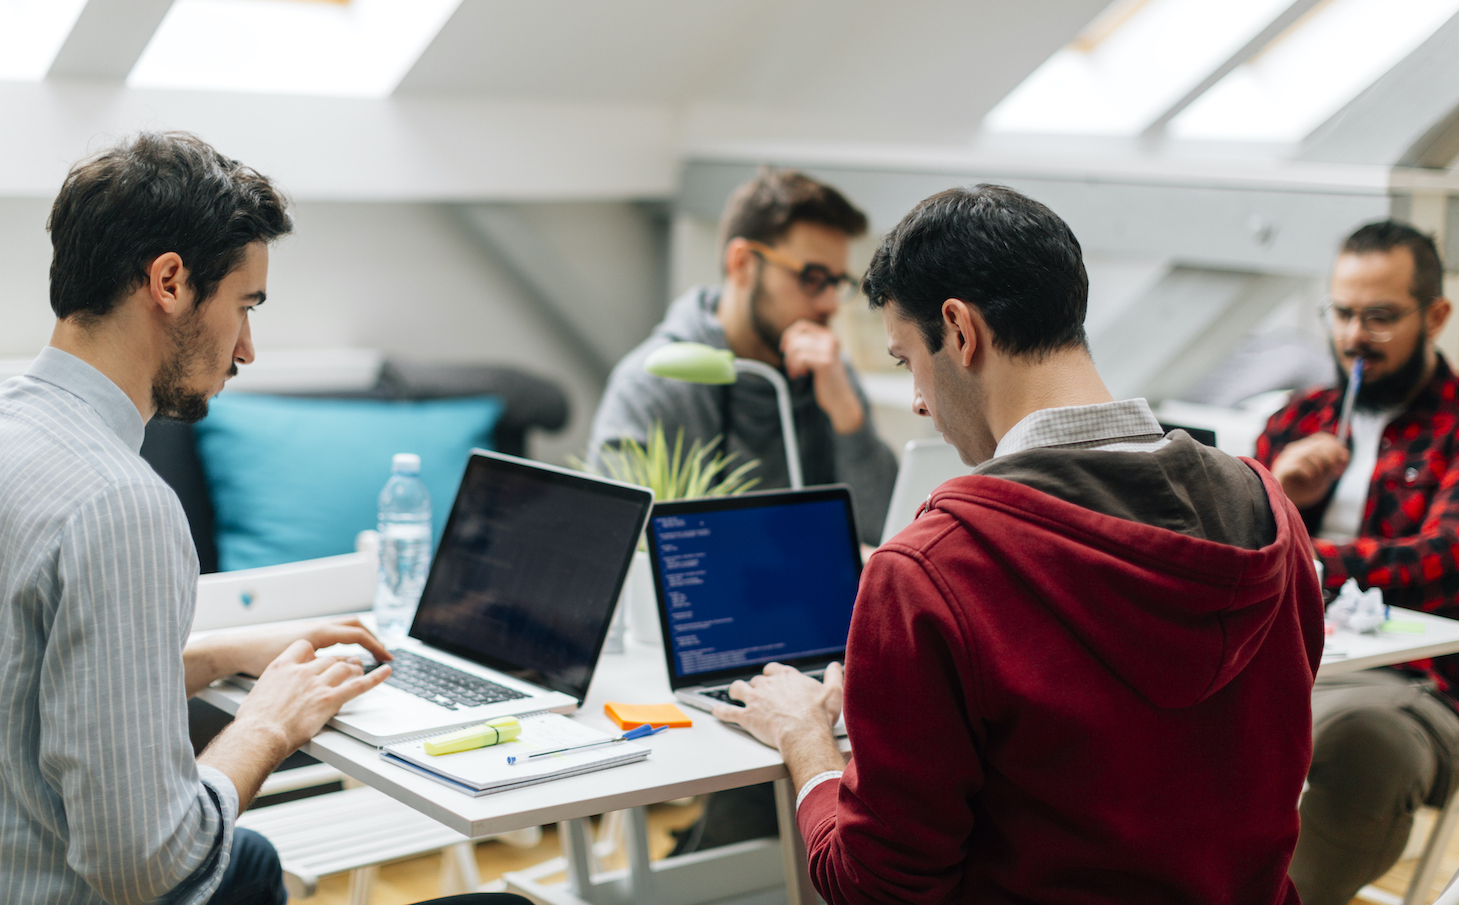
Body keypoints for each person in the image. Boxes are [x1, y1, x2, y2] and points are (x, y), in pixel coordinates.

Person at [716, 184, 1323, 904]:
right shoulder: (1269, 510)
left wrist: (805, 743)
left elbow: (878, 888)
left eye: (909, 360)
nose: (917, 398)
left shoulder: (930, 569)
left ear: (960, 332)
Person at [0, 132, 530, 905]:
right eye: (244, 307)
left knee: (247, 861)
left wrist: (222, 652)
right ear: (171, 282)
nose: (247, 349)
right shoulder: (122, 506)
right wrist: (269, 725)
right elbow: (145, 866)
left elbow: (40, 688)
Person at [1254, 221, 1459, 905]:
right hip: (1285, 662)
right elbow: (1233, 549)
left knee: (1370, 752)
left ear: (1437, 316)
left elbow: (1451, 560)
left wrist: (1297, 548)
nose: (1355, 336)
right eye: (1342, 313)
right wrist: (1275, 489)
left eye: (1381, 317)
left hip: (1419, 685)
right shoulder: (1292, 422)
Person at [590, 167, 897, 547]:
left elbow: (886, 532)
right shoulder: (652, 386)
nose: (829, 304)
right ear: (741, 263)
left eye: (836, 283)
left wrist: (850, 421)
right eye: (812, 278)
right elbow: (613, 546)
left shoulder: (829, 372)